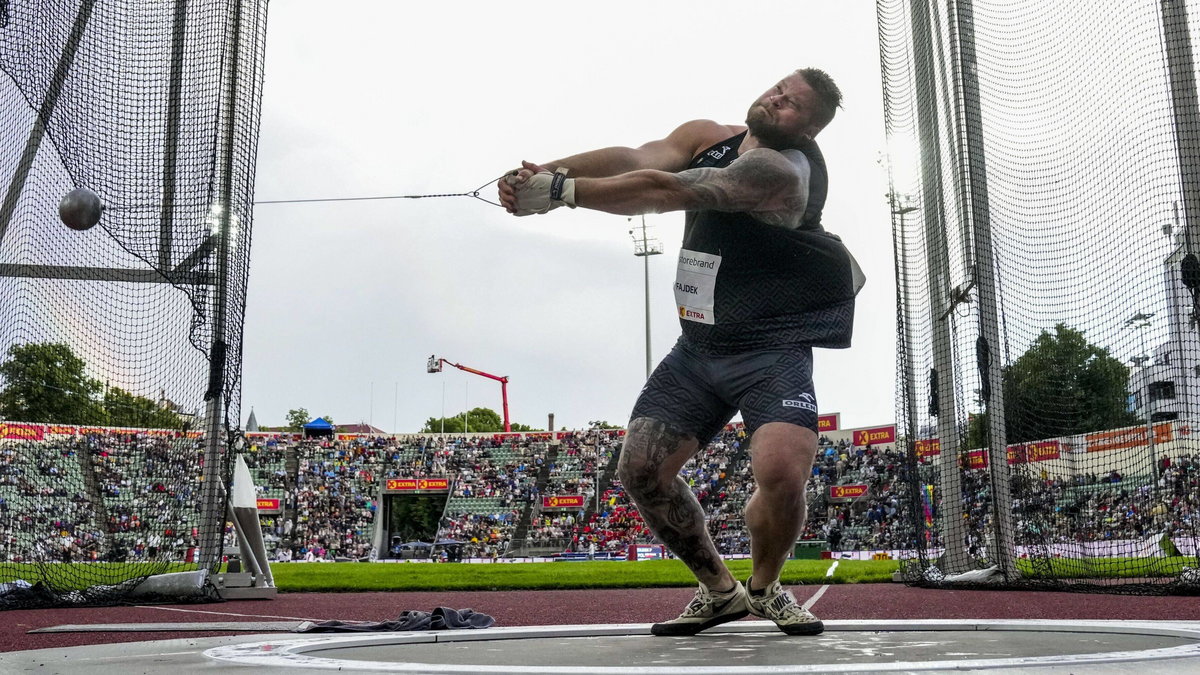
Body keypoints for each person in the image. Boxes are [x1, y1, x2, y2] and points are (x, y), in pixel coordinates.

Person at [499, 68, 862, 637]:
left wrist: (564, 194)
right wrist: (546, 172)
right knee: (640, 471)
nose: (775, 100)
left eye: (791, 105)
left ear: (810, 131)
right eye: (777, 89)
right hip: (699, 345)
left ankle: (765, 587)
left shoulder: (781, 171)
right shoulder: (708, 134)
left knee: (782, 471)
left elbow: (675, 191)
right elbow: (639, 156)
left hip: (771, 346)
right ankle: (721, 592)